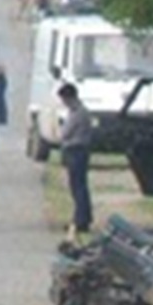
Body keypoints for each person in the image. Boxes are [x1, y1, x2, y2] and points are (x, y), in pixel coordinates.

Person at [58, 83, 94, 234]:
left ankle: (80, 220)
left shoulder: (77, 113)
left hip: (76, 151)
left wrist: (62, 128)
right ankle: (83, 217)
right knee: (80, 186)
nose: (63, 103)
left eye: (64, 99)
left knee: (77, 187)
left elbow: (64, 134)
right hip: (79, 150)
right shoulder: (81, 111)